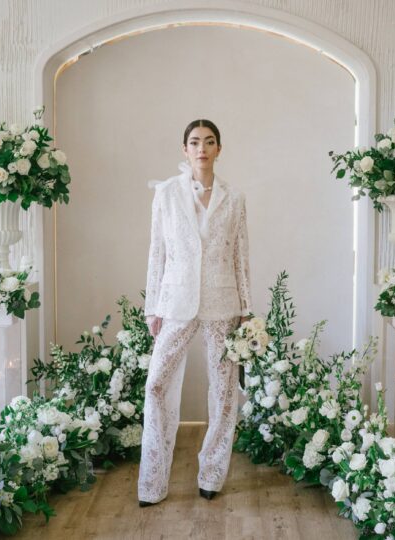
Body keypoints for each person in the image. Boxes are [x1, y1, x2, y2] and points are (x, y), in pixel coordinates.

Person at [137, 119, 252, 507]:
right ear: (184, 149)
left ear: (219, 148)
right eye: (194, 142)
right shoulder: (166, 194)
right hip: (176, 301)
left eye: (209, 141)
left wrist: (247, 309)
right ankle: (152, 482)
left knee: (223, 392)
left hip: (223, 302)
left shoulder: (233, 198)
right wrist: (153, 306)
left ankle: (212, 474)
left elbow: (240, 256)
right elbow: (158, 251)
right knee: (156, 385)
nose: (202, 148)